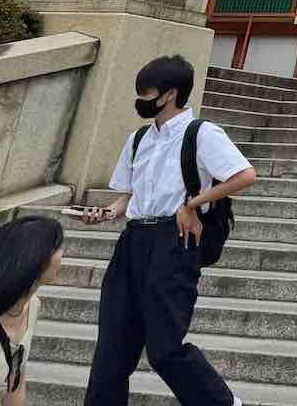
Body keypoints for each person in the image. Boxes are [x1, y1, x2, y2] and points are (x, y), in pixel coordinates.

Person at [82, 54, 258, 406]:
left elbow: (245, 175)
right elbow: (128, 196)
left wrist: (193, 204)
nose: (141, 100)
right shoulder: (138, 139)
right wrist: (105, 212)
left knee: (165, 348)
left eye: (147, 92)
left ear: (170, 94)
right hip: (133, 241)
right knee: (111, 348)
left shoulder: (202, 134)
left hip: (174, 242)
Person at [0, 215, 64, 406]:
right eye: (58, 248)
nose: (63, 254)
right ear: (33, 257)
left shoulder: (32, 306)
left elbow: (15, 380)